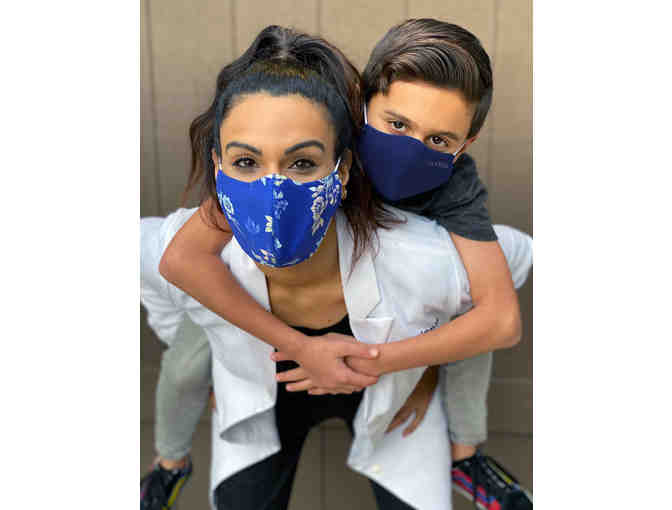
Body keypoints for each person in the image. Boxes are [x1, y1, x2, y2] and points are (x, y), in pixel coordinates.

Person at [141, 25, 532, 510]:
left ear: (464, 145)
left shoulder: (452, 193)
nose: (412, 147)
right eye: (397, 124)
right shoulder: (299, 147)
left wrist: (412, 368)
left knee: (470, 321)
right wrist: (270, 357)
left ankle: (465, 453)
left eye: (437, 139)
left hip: (384, 343)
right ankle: (170, 462)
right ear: (362, 107)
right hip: (258, 325)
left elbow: (499, 315)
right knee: (188, 364)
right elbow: (181, 258)